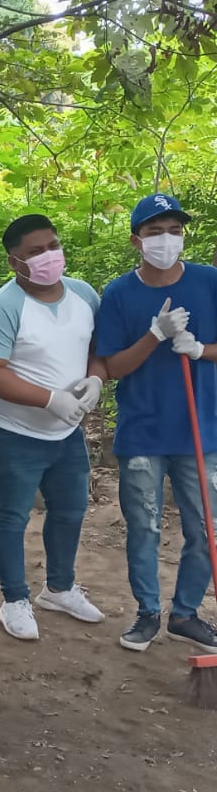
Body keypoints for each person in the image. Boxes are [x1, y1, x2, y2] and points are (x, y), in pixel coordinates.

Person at [0, 213, 106, 640]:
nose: (49, 256)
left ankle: (60, 588)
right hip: (12, 430)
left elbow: (97, 348)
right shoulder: (2, 307)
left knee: (70, 509)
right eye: (35, 252)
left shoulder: (83, 294)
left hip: (66, 431)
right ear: (15, 262)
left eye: (53, 246)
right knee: (12, 515)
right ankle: (14, 599)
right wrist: (49, 399)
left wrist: (96, 378)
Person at [97, 192, 217, 652]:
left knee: (204, 528)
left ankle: (186, 614)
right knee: (144, 526)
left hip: (200, 429)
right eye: (155, 231)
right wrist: (154, 335)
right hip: (143, 431)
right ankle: (147, 611)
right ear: (136, 240)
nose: (166, 239)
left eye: (174, 231)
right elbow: (112, 366)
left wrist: (200, 349)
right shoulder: (119, 293)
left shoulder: (208, 282)